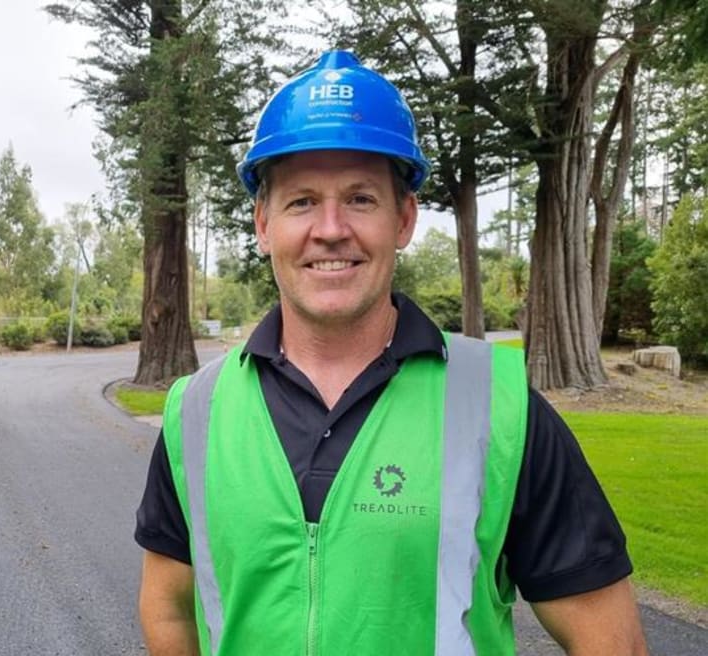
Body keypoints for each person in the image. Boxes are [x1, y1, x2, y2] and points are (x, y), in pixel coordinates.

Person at [134, 50, 648, 655]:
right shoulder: (197, 410)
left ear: (403, 219)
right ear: (263, 223)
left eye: (359, 198)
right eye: (301, 201)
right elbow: (169, 609)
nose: (330, 228)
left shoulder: (498, 405)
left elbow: (612, 642)